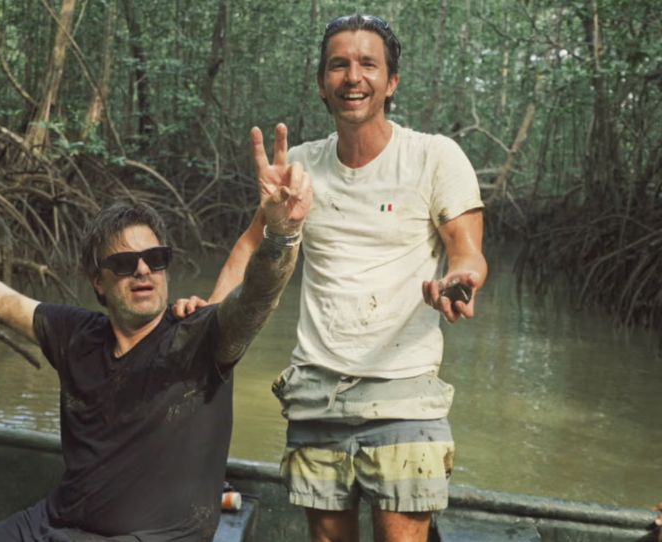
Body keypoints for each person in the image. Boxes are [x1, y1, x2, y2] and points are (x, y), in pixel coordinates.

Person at [0, 164, 311, 541]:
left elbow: (256, 296)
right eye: (123, 263)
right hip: (52, 525)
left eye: (155, 258)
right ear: (98, 281)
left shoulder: (199, 337)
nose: (142, 270)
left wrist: (281, 233)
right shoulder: (75, 334)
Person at [174, 13, 487, 542]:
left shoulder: (433, 157)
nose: (353, 77)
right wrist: (209, 309)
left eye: (368, 64)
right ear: (323, 84)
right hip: (317, 390)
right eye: (338, 65)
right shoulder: (300, 167)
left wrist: (458, 281)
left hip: (404, 392)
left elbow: (468, 253)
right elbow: (250, 247)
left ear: (392, 81)